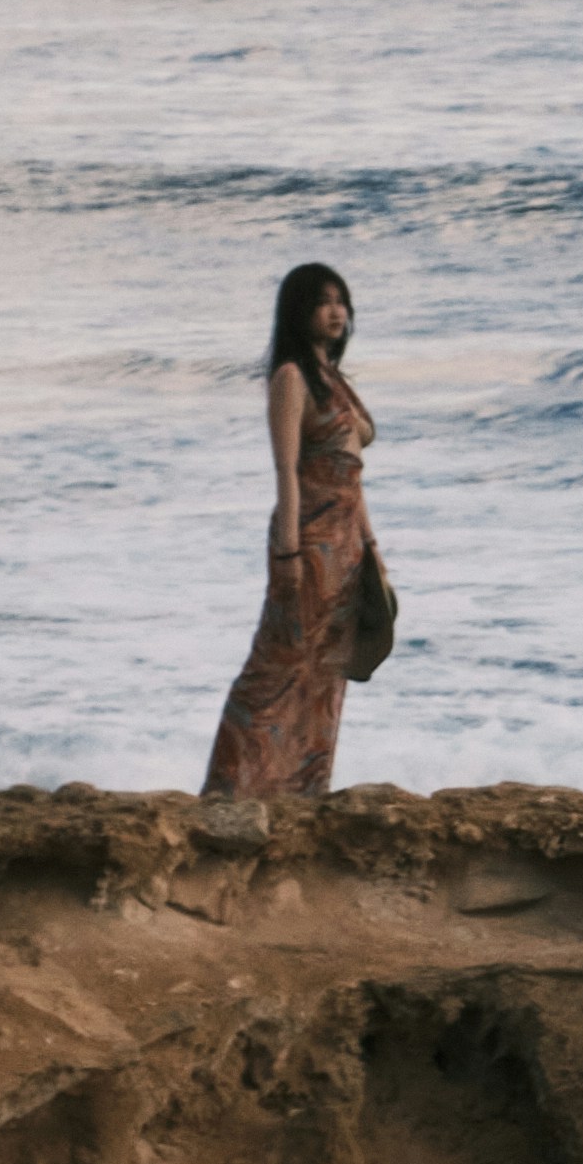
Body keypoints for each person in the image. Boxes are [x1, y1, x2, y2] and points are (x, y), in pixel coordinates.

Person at [202, 257, 379, 801]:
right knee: (276, 663)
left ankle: (302, 788)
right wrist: (289, 552)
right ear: (299, 312)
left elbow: (353, 475)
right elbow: (285, 467)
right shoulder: (291, 377)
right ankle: (228, 788)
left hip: (347, 543)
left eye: (340, 301)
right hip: (308, 538)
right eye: (323, 302)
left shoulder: (334, 380)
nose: (335, 311)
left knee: (326, 670)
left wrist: (373, 550)